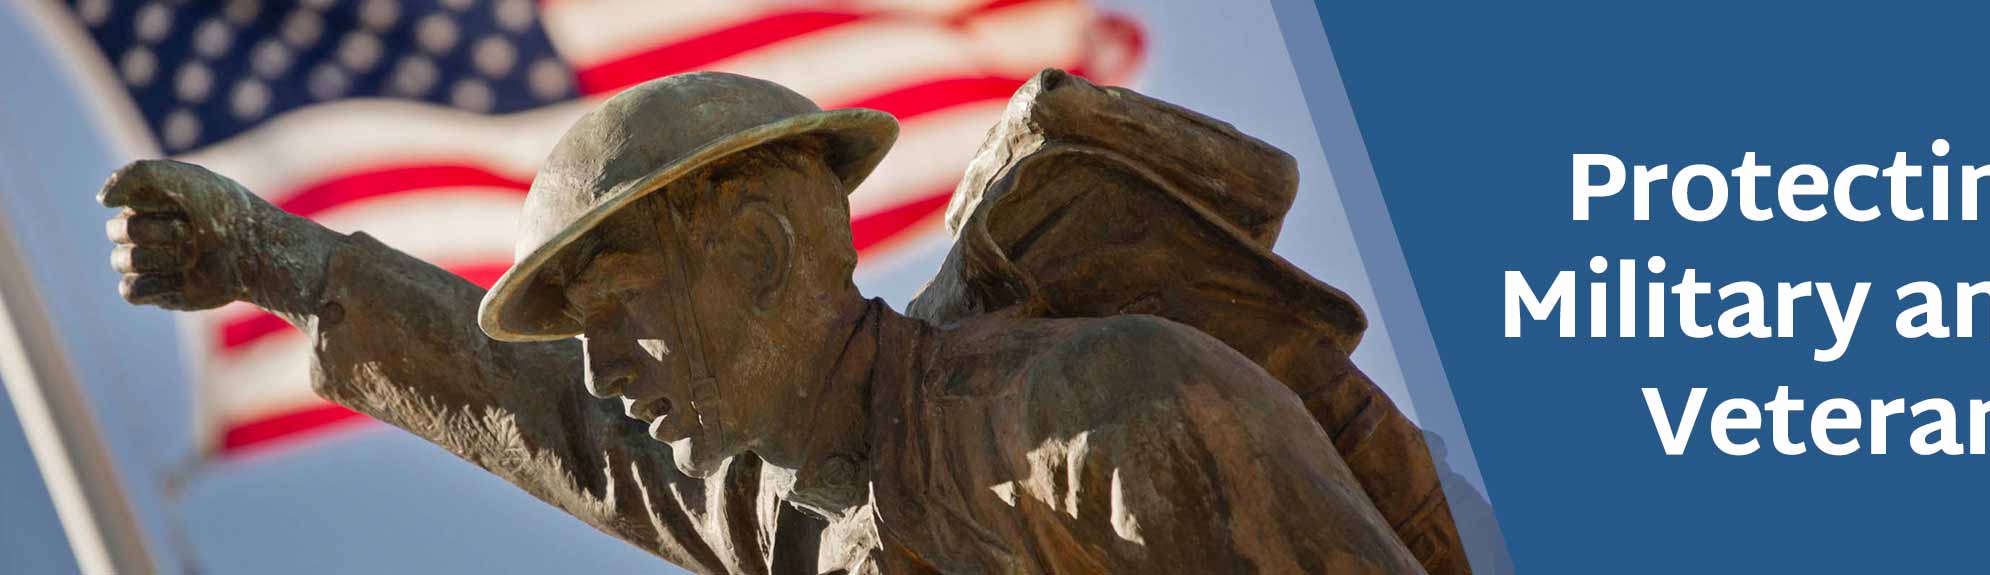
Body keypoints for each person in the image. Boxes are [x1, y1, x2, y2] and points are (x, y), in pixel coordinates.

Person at [99, 71, 1451, 574]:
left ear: (754, 250)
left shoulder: (1107, 407)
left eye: (623, 318)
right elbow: (550, 421)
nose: (605, 374)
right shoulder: (797, 512)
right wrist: (274, 260)